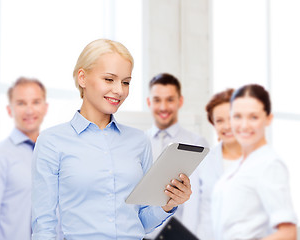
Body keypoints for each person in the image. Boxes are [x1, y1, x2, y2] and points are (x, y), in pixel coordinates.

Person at [31, 39, 192, 240]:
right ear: (82, 78)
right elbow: (43, 226)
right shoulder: (52, 141)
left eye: (126, 82)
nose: (119, 90)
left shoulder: (139, 141)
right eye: (109, 79)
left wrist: (168, 204)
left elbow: (141, 222)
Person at [211, 84, 297, 239]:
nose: (244, 125)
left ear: (268, 118)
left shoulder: (269, 164)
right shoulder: (239, 166)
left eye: (253, 117)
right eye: (237, 116)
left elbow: (288, 233)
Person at [144, 73, 208, 239]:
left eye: (170, 99)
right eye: (157, 100)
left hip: (178, 236)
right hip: (143, 234)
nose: (163, 107)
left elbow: (201, 199)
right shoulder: (139, 142)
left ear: (180, 101)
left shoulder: (197, 143)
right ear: (149, 102)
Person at [0, 77, 48, 240]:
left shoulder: (53, 155)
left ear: (45, 107)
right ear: (9, 109)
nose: (29, 110)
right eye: (21, 103)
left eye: (36, 102)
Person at [190, 88, 242, 239]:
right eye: (219, 121)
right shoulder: (202, 161)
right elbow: (193, 212)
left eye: (232, 118)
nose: (226, 126)